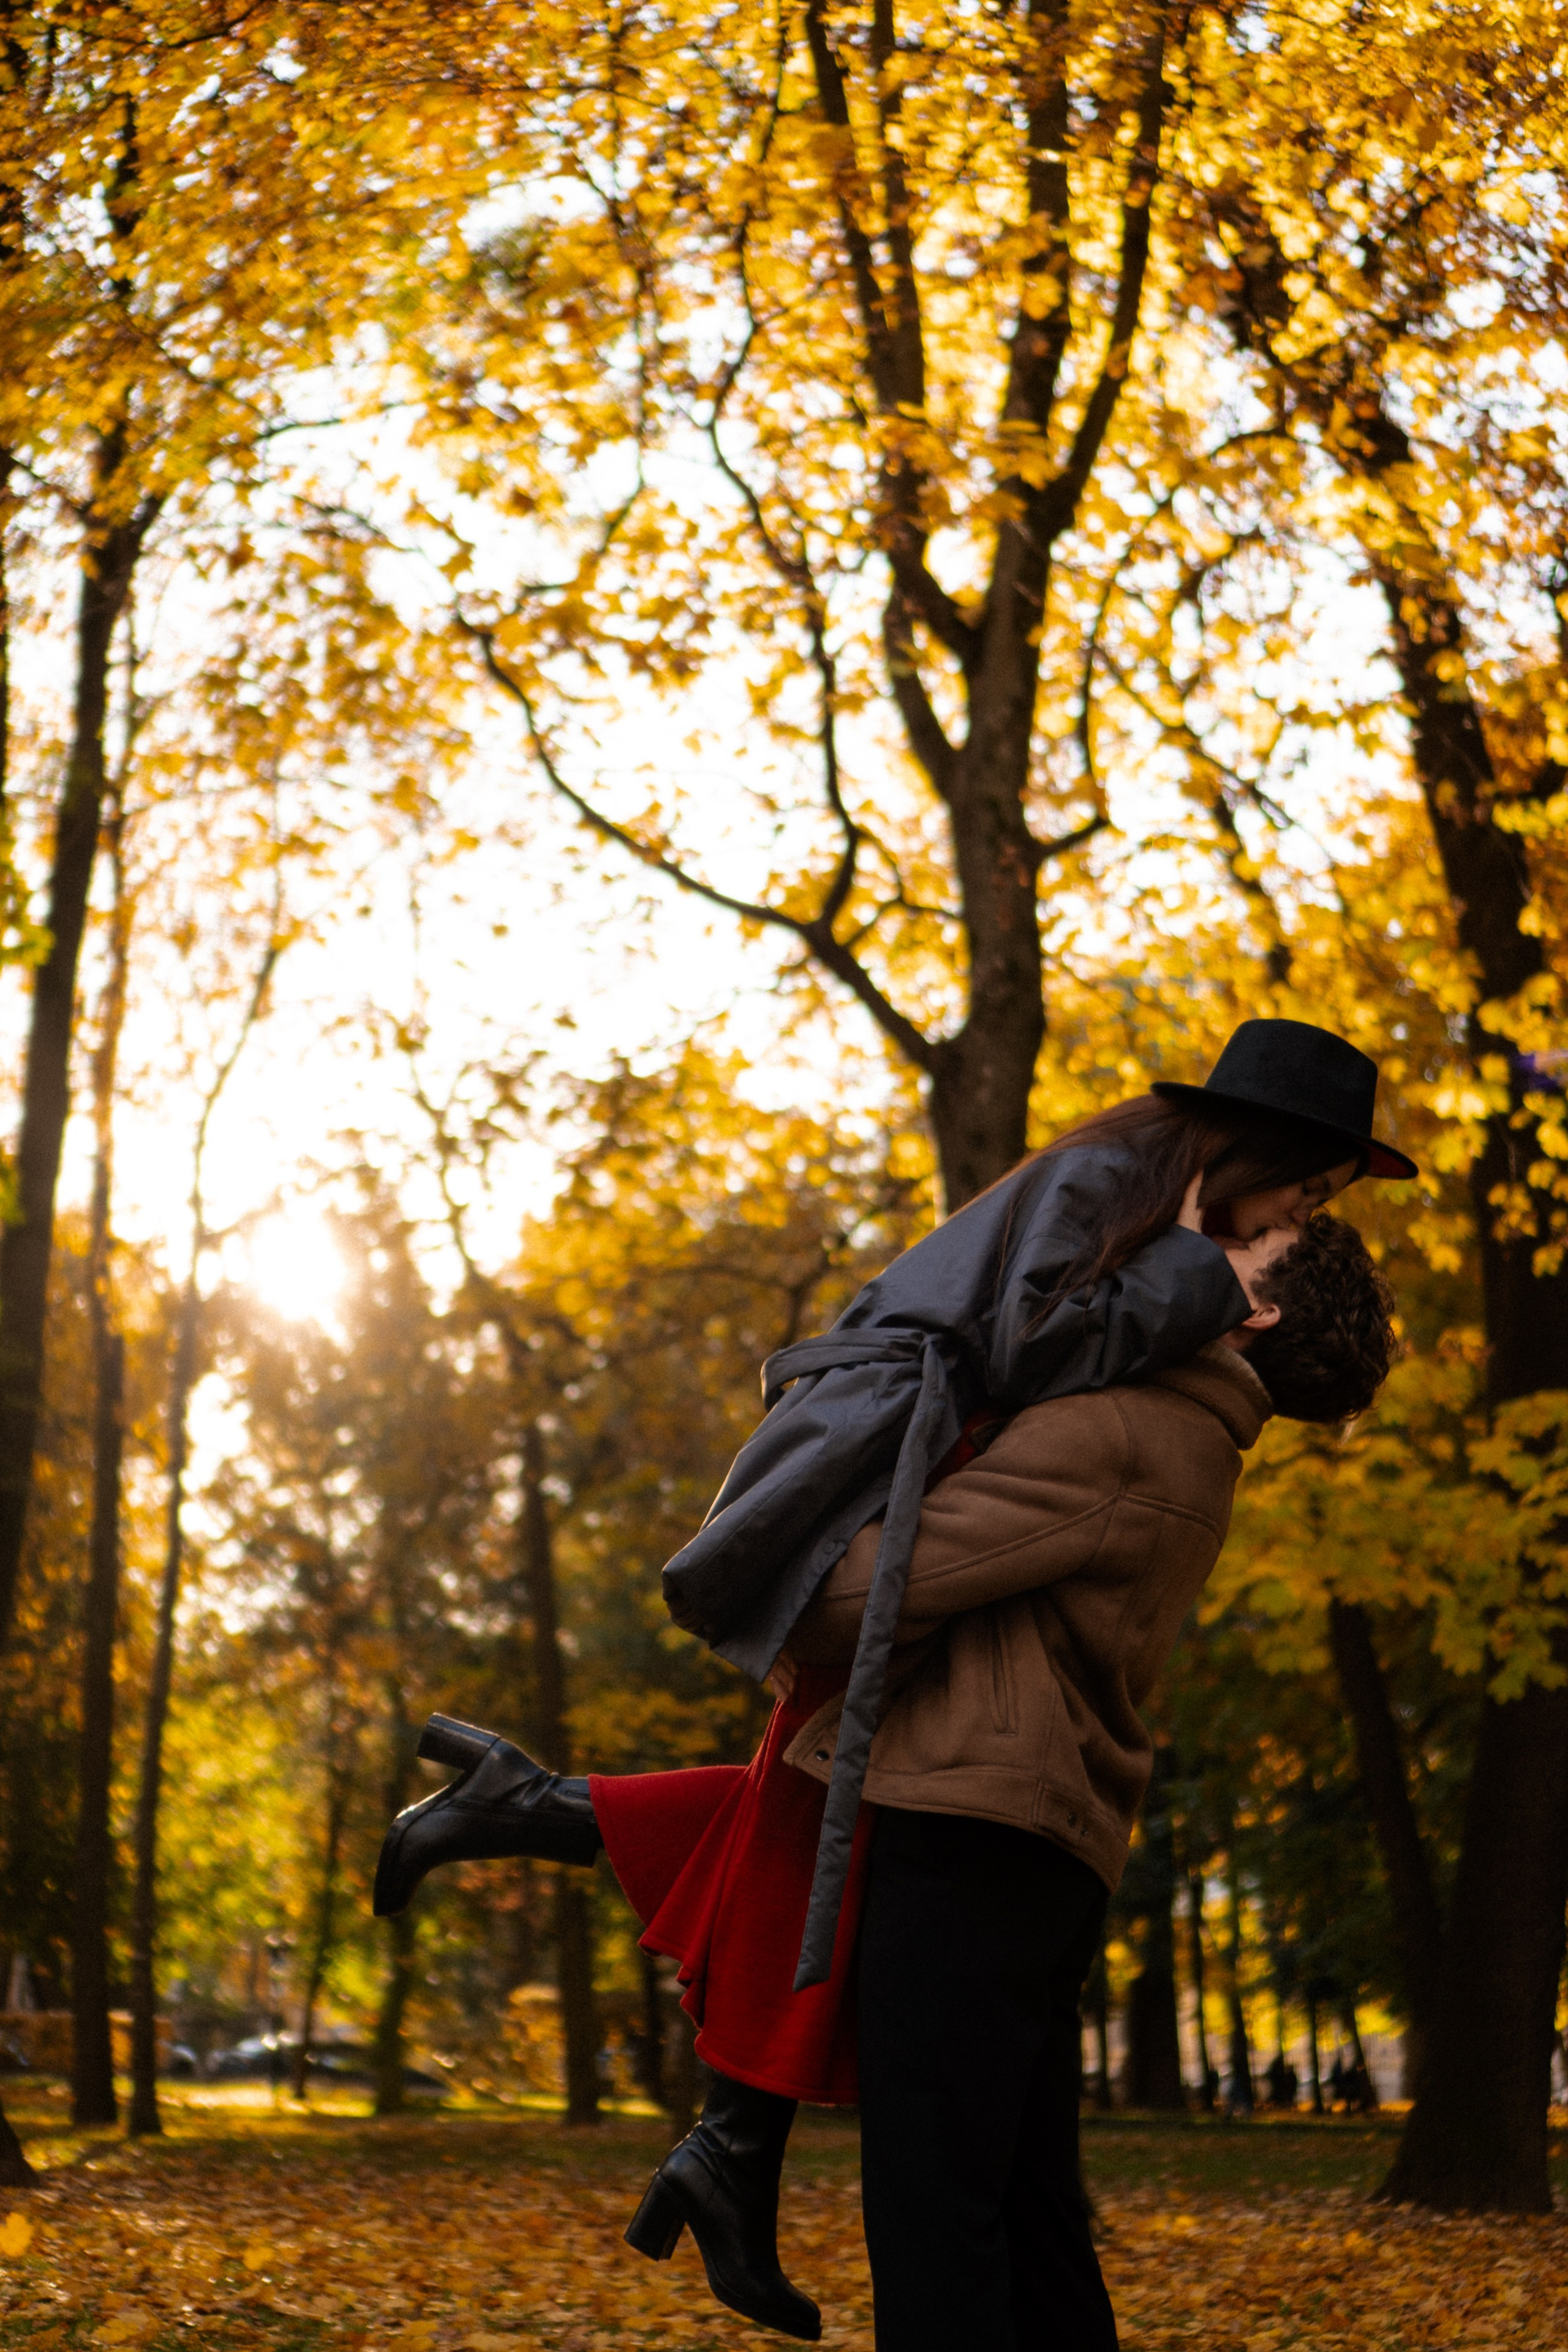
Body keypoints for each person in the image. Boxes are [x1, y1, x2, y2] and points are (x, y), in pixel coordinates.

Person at [373, 1020, 1411, 2342]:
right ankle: (686, 2079)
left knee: (939, 2226)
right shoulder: (1180, 1422)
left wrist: (815, 1539)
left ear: (1251, 1305)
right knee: (1028, 2222)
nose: (1263, 1228)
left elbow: (852, 1605)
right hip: (1030, 1839)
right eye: (1297, 1198)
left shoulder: (1126, 1431)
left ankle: (686, 2076)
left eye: (1275, 1235)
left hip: (974, 1842)